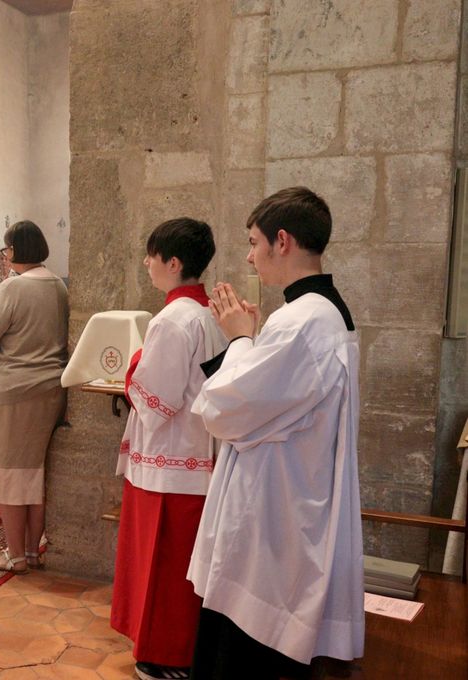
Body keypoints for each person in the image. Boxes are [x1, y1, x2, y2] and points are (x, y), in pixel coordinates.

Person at [187, 187, 363, 678]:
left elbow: (225, 411)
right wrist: (251, 339)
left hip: (270, 518)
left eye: (253, 242)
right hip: (288, 499)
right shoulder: (321, 314)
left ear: (281, 241)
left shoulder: (302, 321)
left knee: (240, 656)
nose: (248, 255)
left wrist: (241, 337)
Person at [108, 219, 226, 680]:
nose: (146, 263)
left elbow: (154, 399)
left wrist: (133, 368)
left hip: (169, 465)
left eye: (152, 255)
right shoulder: (211, 312)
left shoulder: (173, 320)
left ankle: (161, 657)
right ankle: (180, 651)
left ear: (173, 263)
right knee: (185, 569)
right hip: (198, 458)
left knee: (165, 566)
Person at [0, 221, 68, 573]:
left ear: (18, 250)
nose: (5, 255)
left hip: (12, 392)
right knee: (34, 473)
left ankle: (14, 556)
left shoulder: (12, 288)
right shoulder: (58, 286)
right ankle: (30, 550)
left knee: (10, 475)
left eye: (8, 248)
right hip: (50, 390)